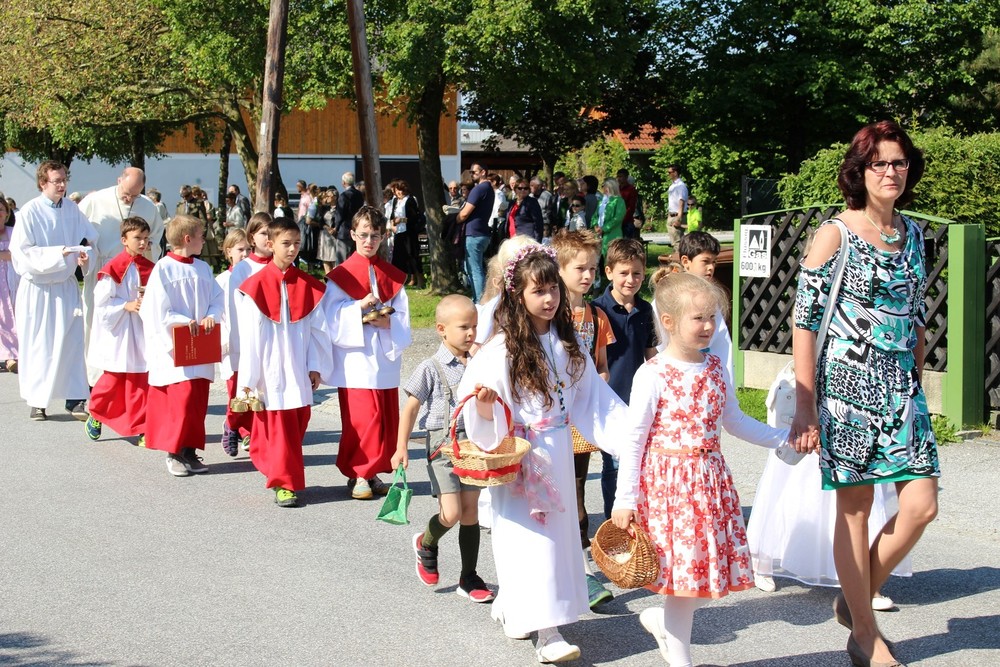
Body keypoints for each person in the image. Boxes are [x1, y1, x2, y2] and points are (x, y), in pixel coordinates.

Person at [789, 120, 939, 667]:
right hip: (847, 391)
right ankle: (866, 635)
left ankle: (854, 602)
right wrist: (806, 405)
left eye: (899, 162)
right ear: (860, 171)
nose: (891, 172)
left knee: (922, 506)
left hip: (901, 388)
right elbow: (804, 323)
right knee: (855, 510)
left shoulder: (913, 234)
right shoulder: (836, 234)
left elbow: (915, 315)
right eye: (880, 163)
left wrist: (915, 381)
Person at [457, 245, 627, 663]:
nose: (550, 298)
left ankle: (520, 608)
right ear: (518, 295)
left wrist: (634, 437)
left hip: (557, 451)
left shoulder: (568, 344)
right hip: (519, 457)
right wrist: (486, 407)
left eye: (553, 289)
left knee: (555, 539)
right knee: (528, 540)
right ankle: (546, 632)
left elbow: (594, 399)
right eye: (539, 291)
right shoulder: (501, 349)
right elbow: (475, 403)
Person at [611, 272, 790, 667]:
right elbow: (634, 439)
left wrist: (784, 438)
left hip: (709, 483)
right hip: (669, 488)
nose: (708, 325)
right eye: (698, 318)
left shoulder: (715, 368)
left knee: (700, 577)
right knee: (683, 582)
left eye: (712, 317)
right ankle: (680, 658)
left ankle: (663, 623)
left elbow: (735, 421)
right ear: (669, 321)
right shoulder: (653, 374)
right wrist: (625, 499)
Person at [392, 295, 495, 602]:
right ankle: (426, 542)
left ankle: (469, 577)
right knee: (450, 513)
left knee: (470, 512)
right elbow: (411, 408)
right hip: (442, 447)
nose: (471, 333)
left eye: (474, 326)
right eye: (463, 327)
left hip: (473, 445)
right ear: (441, 329)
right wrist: (401, 447)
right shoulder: (430, 367)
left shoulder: (479, 363)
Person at [235, 217, 332, 507]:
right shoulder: (254, 287)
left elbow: (318, 331)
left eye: (296, 243)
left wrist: (315, 366)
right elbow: (250, 339)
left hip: (299, 368)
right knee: (279, 428)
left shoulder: (308, 285)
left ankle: (278, 470)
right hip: (270, 371)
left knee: (297, 423)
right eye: (286, 243)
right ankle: (284, 483)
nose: (292, 249)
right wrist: (249, 381)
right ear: (270, 244)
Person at [323, 206, 411, 500]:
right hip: (356, 358)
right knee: (364, 417)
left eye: (374, 235)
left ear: (383, 236)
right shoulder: (341, 276)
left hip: (383, 355)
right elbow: (330, 316)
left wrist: (389, 323)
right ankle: (360, 472)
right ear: (352, 235)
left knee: (383, 417)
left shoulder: (391, 276)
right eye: (363, 235)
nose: (369, 241)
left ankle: (370, 473)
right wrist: (357, 308)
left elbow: (403, 315)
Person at [551, 229, 616, 609]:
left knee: (577, 487)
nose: (588, 275)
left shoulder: (596, 315)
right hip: (551, 417)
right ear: (559, 269)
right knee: (556, 493)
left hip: (582, 418)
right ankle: (569, 565)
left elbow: (602, 365)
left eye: (592, 267)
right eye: (580, 268)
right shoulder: (550, 315)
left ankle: (581, 565)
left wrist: (597, 382)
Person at [10, 160, 96, 421]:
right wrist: (60, 253)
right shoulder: (29, 212)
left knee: (71, 343)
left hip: (65, 287)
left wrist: (84, 257)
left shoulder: (72, 209)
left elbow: (90, 239)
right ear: (42, 183)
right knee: (40, 345)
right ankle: (38, 402)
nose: (62, 185)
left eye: (64, 180)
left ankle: (75, 399)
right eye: (56, 181)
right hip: (39, 289)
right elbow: (22, 253)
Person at [139, 214, 223, 476]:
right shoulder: (163, 269)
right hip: (176, 349)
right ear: (187, 239)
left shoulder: (203, 268)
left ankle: (189, 451)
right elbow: (156, 311)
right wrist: (184, 322)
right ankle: (174, 452)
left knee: (197, 401)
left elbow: (217, 299)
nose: (204, 241)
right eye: (201, 236)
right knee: (180, 401)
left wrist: (211, 316)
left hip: (201, 346)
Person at [79, 167, 165, 386]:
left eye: (135, 195)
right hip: (104, 268)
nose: (130, 199)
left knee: (133, 329)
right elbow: (78, 230)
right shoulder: (95, 201)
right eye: (127, 193)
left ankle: (132, 377)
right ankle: (94, 378)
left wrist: (147, 248)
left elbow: (156, 236)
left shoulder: (148, 206)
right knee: (95, 320)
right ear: (119, 180)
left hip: (135, 273)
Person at [592, 238, 658, 518]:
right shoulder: (597, 310)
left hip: (639, 399)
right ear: (609, 272)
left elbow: (651, 355)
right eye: (624, 273)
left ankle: (640, 519)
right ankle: (614, 522)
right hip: (609, 399)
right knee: (614, 465)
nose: (631, 280)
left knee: (641, 461)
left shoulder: (646, 310)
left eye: (637, 273)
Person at [85, 217, 154, 445]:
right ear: (124, 240)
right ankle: (96, 413)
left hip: (142, 330)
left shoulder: (152, 268)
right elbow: (102, 301)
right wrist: (126, 305)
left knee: (140, 379)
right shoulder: (115, 268)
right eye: (137, 238)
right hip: (121, 330)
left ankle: (142, 427)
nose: (142, 242)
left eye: (146, 238)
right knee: (113, 379)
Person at [222, 213, 274, 455]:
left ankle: (257, 437)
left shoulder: (282, 263)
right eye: (263, 233)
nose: (269, 237)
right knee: (241, 391)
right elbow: (234, 311)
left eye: (272, 232)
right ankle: (232, 425)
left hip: (273, 342)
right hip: (245, 342)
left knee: (265, 394)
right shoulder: (243, 269)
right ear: (252, 237)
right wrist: (238, 346)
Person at [216, 228, 250, 455]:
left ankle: (247, 432)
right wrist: (222, 343)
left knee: (251, 391)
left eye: (248, 249)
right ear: (229, 252)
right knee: (236, 393)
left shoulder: (254, 275)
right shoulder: (221, 281)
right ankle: (232, 424)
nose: (245, 254)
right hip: (232, 346)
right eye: (240, 249)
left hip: (252, 344)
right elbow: (217, 313)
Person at [456, 163, 495, 302]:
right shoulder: (489, 189)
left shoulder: (479, 189)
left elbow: (464, 213)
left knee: (475, 269)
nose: (471, 174)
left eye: (474, 172)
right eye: (471, 172)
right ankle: (478, 298)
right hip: (482, 233)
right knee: (471, 268)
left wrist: (454, 218)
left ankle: (480, 302)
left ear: (483, 172)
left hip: (474, 234)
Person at [0, 196, 19, 373]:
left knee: (15, 315)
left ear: (7, 213)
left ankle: (14, 355)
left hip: (14, 280)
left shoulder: (15, 232)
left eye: (1, 209)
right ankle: (7, 356)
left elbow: (21, 254)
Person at [335, 172, 364, 266]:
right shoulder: (359, 194)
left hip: (344, 230)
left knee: (342, 259)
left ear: (344, 182)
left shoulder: (344, 196)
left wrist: (336, 227)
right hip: (356, 228)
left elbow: (340, 214)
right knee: (354, 258)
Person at [594, 178, 625, 261]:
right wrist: (595, 225)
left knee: (611, 258)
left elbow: (618, 218)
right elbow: (595, 216)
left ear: (612, 187)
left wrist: (604, 229)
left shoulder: (619, 201)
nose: (604, 189)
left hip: (612, 234)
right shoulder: (601, 201)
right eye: (603, 186)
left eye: (605, 186)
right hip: (599, 234)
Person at [506, 178, 544, 242]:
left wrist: (537, 242)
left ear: (529, 190)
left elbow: (538, 223)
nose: (523, 190)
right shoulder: (512, 203)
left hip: (527, 240)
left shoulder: (532, 202)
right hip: (512, 239)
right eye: (520, 188)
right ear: (515, 190)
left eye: (526, 188)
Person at [666, 165, 689, 246]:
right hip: (671, 215)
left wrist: (679, 218)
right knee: (674, 242)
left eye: (669, 172)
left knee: (677, 242)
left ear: (675, 173)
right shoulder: (673, 185)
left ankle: (679, 254)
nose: (668, 174)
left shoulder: (680, 186)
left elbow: (681, 202)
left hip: (677, 216)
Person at [616, 168, 638, 239]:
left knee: (626, 242)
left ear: (626, 177)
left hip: (627, 222)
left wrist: (623, 219)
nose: (619, 179)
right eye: (618, 176)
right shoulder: (616, 189)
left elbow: (631, 207)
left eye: (621, 176)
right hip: (616, 221)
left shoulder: (631, 190)